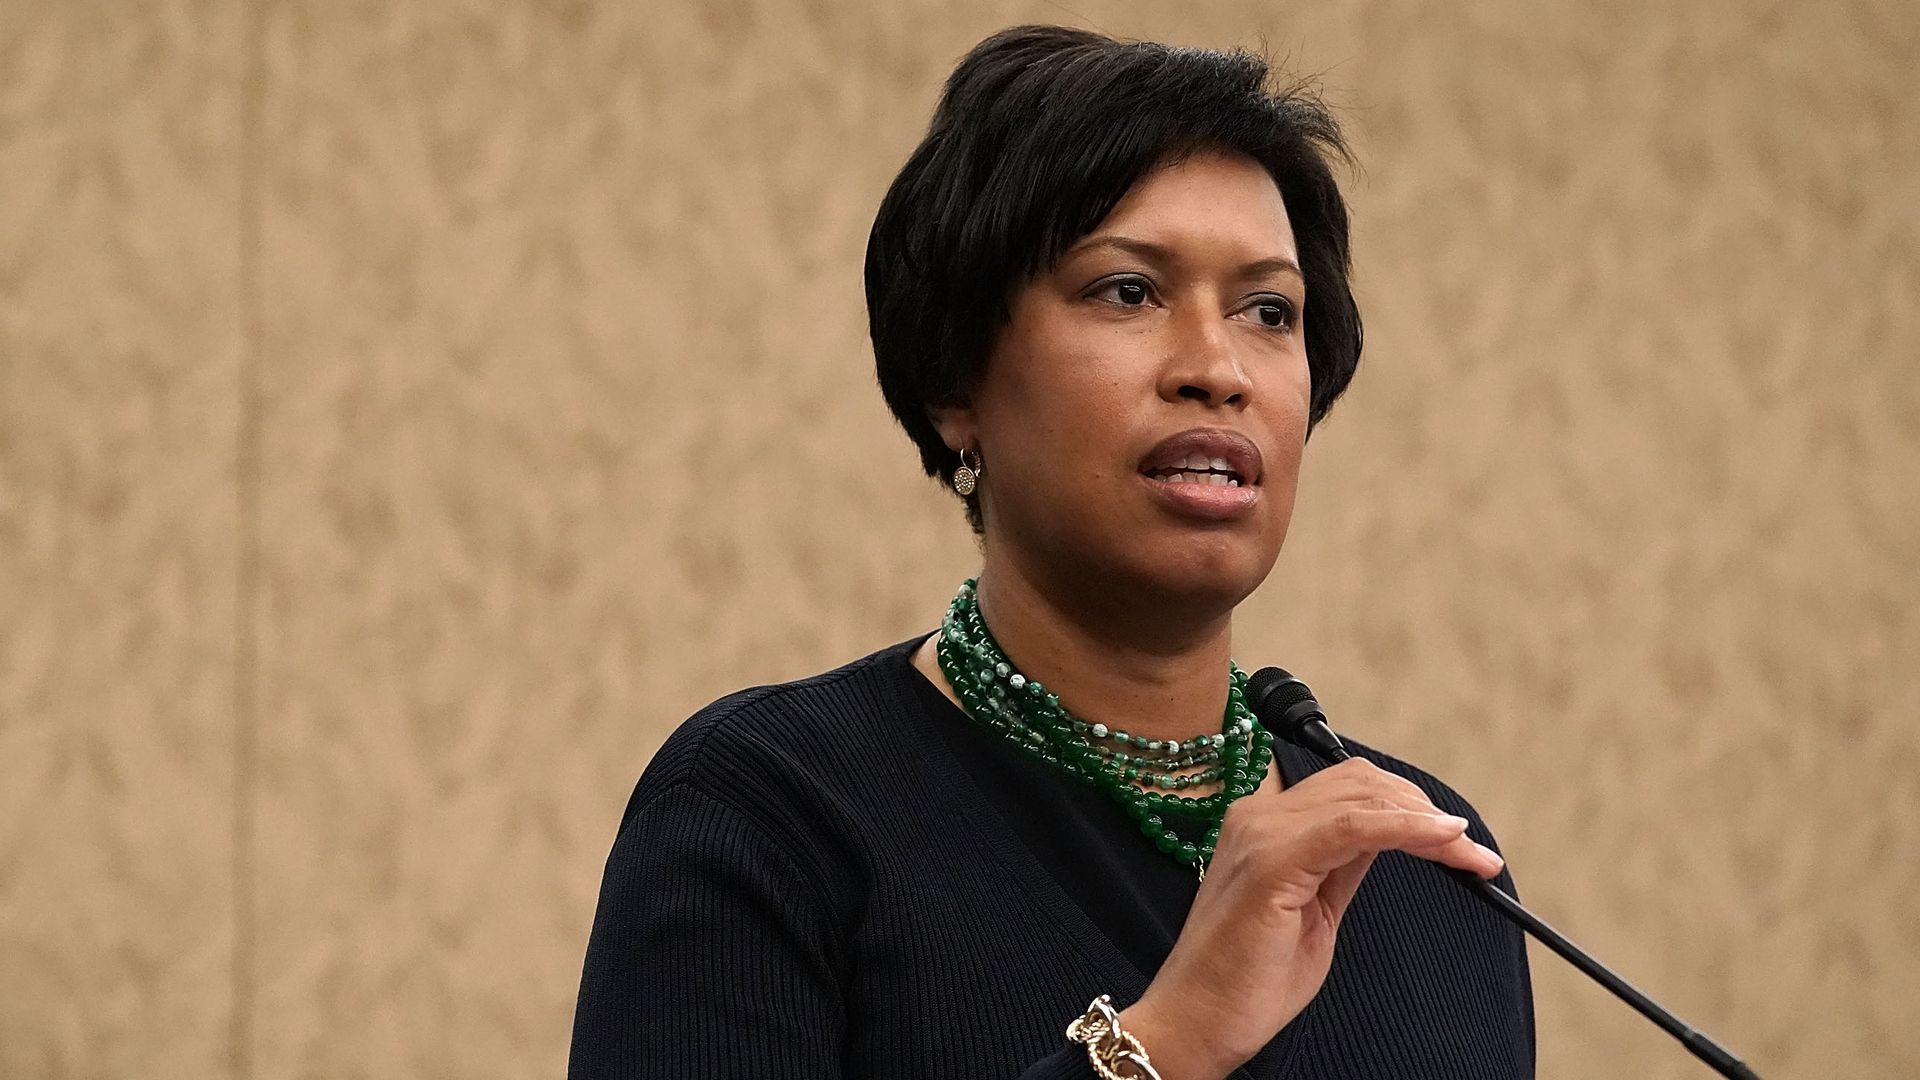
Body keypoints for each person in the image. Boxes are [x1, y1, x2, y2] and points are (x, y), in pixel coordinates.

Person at [570, 24, 1533, 1080]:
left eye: (1269, 310)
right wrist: (1169, 1040)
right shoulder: (768, 809)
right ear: (957, 385)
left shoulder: (1425, 863)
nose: (1218, 369)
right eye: (1128, 291)